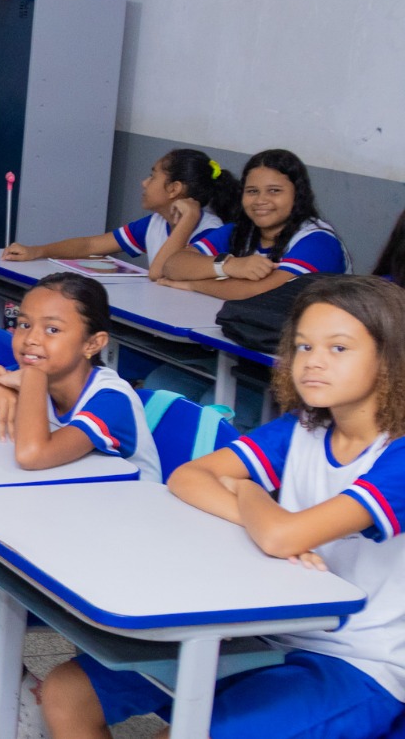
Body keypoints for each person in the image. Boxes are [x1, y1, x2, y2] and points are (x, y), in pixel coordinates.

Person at [37, 275, 405, 739]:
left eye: (338, 348)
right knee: (68, 692)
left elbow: (280, 537)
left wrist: (251, 495)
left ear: (390, 358)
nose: (313, 363)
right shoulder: (303, 430)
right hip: (267, 630)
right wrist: (268, 521)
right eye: (304, 347)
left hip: (356, 663)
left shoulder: (398, 455)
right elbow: (188, 477)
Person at [0, 273, 156, 684]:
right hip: (61, 535)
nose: (32, 339)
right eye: (24, 324)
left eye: (52, 330)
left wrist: (27, 380)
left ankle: (9, 711)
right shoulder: (41, 378)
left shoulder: (110, 399)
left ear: (93, 344)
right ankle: (17, 703)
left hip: (120, 560)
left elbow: (33, 455)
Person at [4, 148, 240, 279]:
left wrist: (187, 220)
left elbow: (159, 272)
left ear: (174, 189)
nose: (144, 182)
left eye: (153, 176)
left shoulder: (211, 231)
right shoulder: (155, 223)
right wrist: (38, 251)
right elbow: (90, 246)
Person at [160, 148, 348, 299]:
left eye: (274, 191)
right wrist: (229, 266)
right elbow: (173, 265)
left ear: (298, 195)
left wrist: (193, 284)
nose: (261, 200)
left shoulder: (318, 240)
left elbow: (260, 293)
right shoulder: (239, 231)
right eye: (252, 191)